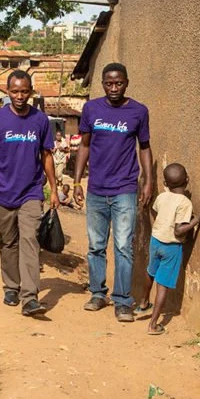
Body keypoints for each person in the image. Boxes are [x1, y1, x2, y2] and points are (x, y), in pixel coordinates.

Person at [0, 70, 59, 317]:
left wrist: (53, 188)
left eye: (24, 91)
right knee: (9, 242)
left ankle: (30, 298)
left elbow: (46, 156)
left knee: (30, 240)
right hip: (2, 192)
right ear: (8, 92)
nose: (20, 96)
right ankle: (11, 286)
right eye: (15, 91)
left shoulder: (40, 120)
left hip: (31, 191)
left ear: (31, 92)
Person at [73, 62, 153, 322]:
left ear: (126, 83)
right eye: (109, 83)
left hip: (125, 189)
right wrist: (77, 182)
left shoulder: (138, 111)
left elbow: (144, 147)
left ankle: (122, 301)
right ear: (103, 84)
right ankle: (98, 294)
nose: (114, 88)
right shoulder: (91, 109)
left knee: (123, 246)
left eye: (119, 83)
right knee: (96, 246)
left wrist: (148, 180)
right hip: (96, 189)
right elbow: (84, 146)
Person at [137, 164, 200, 334]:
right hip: (171, 246)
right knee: (163, 286)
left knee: (151, 271)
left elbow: (156, 212)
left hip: (156, 240)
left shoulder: (162, 197)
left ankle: (143, 303)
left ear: (165, 183)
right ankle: (153, 325)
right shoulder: (185, 203)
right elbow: (178, 230)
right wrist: (196, 220)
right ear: (187, 180)